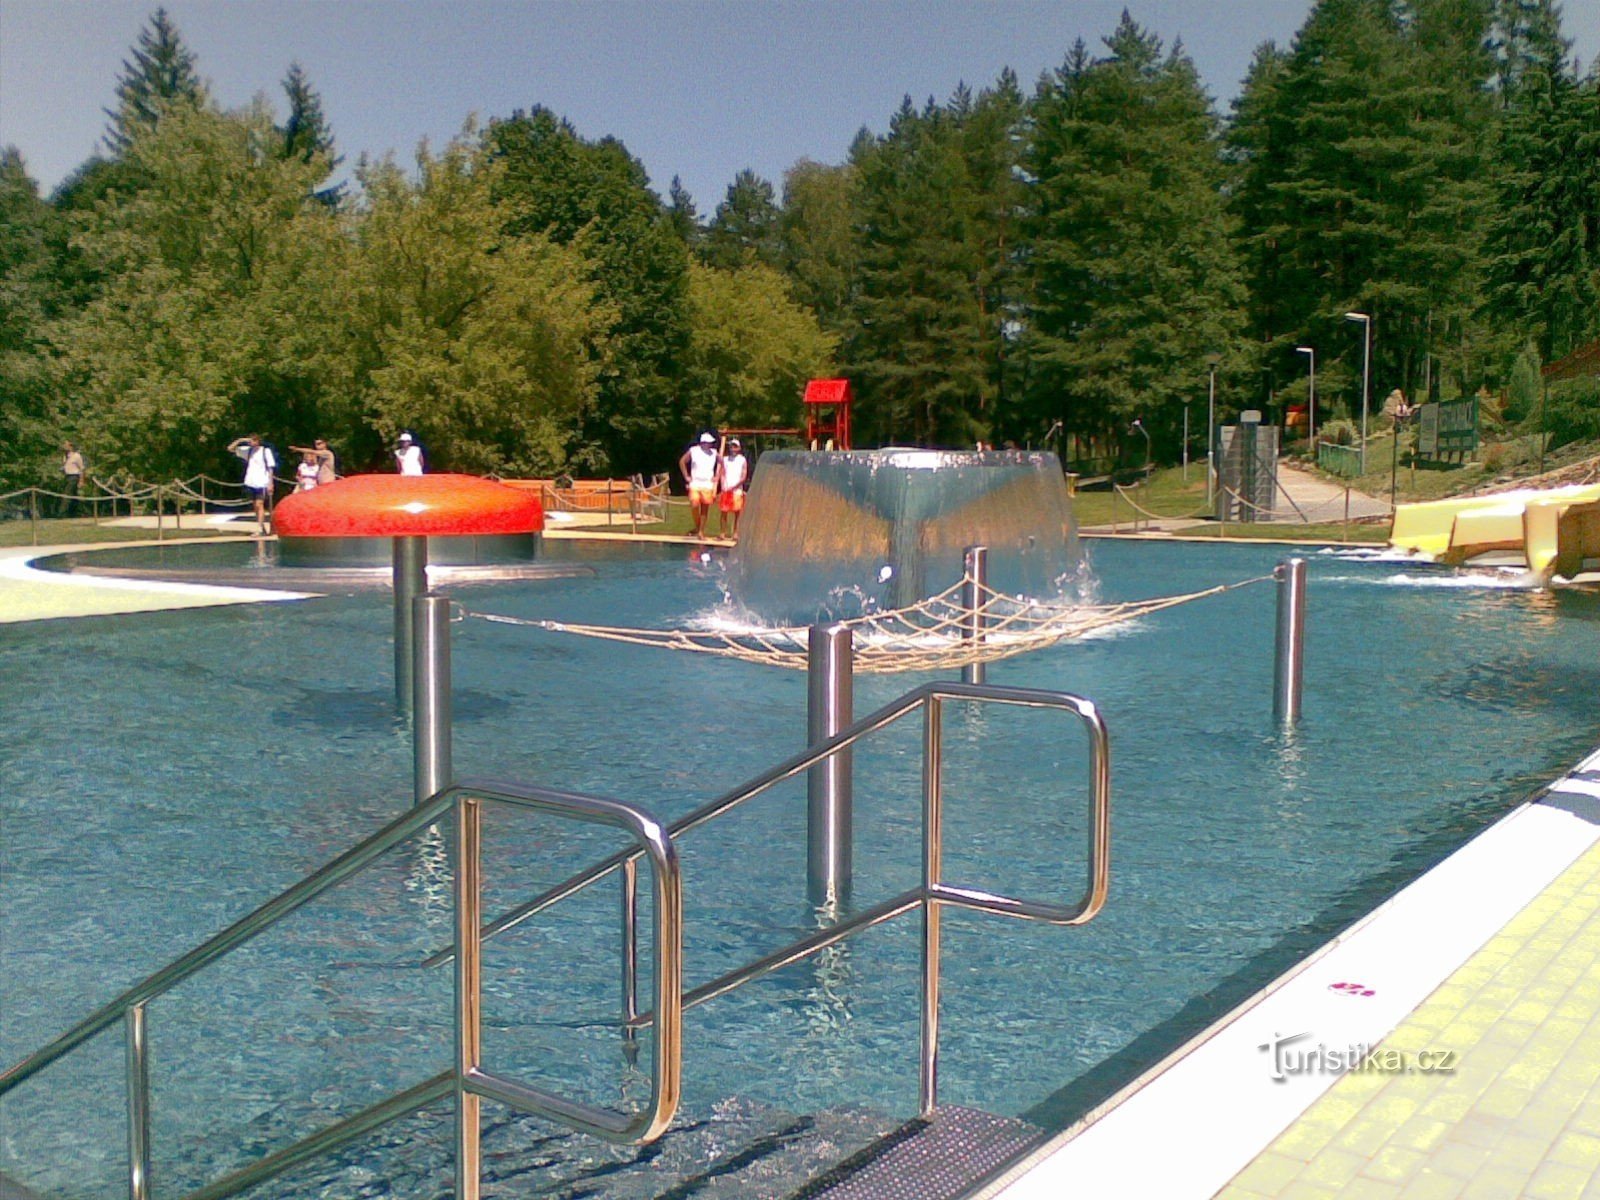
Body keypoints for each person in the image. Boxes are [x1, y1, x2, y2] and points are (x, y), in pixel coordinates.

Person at [227, 434, 277, 535]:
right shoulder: (248, 451)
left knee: (260, 504)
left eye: (253, 440)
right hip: (251, 481)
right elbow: (230, 448)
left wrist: (270, 482)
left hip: (262, 481)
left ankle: (259, 528)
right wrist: (240, 440)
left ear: (258, 441)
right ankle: (261, 526)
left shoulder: (265, 451)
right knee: (255, 505)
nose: (251, 442)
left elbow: (270, 467)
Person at [678, 431, 719, 539]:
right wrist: (686, 476)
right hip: (695, 482)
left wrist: (717, 476)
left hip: (707, 483)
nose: (709, 445)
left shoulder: (714, 453)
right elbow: (682, 461)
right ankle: (697, 525)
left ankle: (701, 531)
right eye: (707, 442)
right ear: (702, 442)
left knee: (705, 508)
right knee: (694, 503)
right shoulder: (694, 450)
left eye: (710, 443)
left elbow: (722, 463)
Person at [716, 437, 750, 539]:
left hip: (737, 490)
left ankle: (735, 532)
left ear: (739, 448)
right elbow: (722, 473)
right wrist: (723, 486)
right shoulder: (725, 459)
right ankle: (722, 532)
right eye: (731, 446)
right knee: (724, 512)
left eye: (735, 446)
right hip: (726, 488)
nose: (732, 448)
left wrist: (735, 486)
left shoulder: (742, 460)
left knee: (737, 512)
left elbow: (744, 476)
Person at [60, 442, 84, 517]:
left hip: (74, 476)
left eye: (66, 445)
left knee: (67, 493)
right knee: (73, 495)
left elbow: (81, 469)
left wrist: (81, 480)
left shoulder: (76, 456)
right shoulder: (65, 456)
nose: (64, 447)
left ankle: (62, 513)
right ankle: (76, 512)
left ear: (71, 447)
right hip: (67, 476)